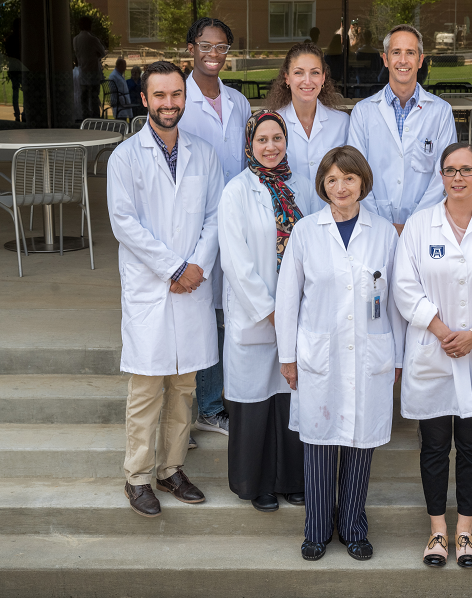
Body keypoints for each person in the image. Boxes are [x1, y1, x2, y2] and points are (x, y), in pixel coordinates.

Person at [393, 142, 472, 569]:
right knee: (433, 446)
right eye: (451, 170)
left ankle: (465, 532)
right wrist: (445, 331)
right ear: (441, 176)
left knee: (470, 446)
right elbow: (404, 286)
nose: (459, 177)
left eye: (467, 170)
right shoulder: (419, 225)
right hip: (434, 349)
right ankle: (437, 532)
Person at [276, 146, 404, 562]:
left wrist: (397, 358)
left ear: (362, 181)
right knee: (318, 444)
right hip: (319, 355)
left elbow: (397, 300)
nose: (340, 186)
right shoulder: (306, 232)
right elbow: (287, 298)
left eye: (348, 178)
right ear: (322, 186)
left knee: (360, 444)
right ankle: (315, 530)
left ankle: (353, 527)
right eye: (331, 180)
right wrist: (288, 357)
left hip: (371, 353)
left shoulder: (384, 232)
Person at [106, 60, 221, 518]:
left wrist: (196, 266)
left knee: (185, 385)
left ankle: (171, 469)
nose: (169, 103)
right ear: (144, 99)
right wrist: (174, 267)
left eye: (176, 95)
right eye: (160, 96)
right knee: (147, 388)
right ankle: (137, 476)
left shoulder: (204, 154)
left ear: (184, 98)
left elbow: (215, 217)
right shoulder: (126, 157)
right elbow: (124, 223)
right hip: (152, 287)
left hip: (191, 284)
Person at [217, 110, 317, 512]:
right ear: (249, 145)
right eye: (262, 140)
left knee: (291, 400)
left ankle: (292, 480)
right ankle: (255, 483)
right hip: (256, 316)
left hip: (300, 313)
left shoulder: (304, 187)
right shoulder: (236, 191)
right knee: (255, 401)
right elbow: (235, 263)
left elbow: (315, 245)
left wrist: (298, 310)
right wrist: (275, 312)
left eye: (277, 138)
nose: (271, 146)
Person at [178, 17, 252, 441]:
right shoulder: (177, 98)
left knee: (221, 315)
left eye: (221, 47)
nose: (213, 53)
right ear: (191, 48)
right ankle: (183, 410)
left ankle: (209, 406)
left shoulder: (238, 102)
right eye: (205, 45)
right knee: (192, 314)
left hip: (232, 223)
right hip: (191, 225)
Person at [348, 24, 457, 235]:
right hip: (373, 227)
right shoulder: (363, 112)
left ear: (420, 60)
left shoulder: (441, 112)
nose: (403, 60)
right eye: (396, 52)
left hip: (425, 228)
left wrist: (414, 225)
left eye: (410, 53)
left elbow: (444, 173)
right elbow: (355, 172)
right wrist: (383, 225)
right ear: (385, 59)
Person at [266, 41, 349, 209]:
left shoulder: (342, 123)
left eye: (315, 73)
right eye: (299, 73)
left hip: (332, 220)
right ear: (286, 77)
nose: (307, 81)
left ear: (324, 77)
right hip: (287, 221)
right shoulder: (271, 123)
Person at [73, 15, 106, 119]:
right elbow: (103, 53)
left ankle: (85, 117)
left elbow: (76, 54)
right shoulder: (93, 39)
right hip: (93, 72)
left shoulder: (76, 40)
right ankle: (95, 117)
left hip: (83, 72)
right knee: (94, 97)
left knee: (84, 97)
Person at [4, 18, 23, 123]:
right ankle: (24, 113)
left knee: (15, 92)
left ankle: (17, 115)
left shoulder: (9, 39)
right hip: (22, 68)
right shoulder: (23, 38)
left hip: (13, 68)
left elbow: (8, 54)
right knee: (25, 92)